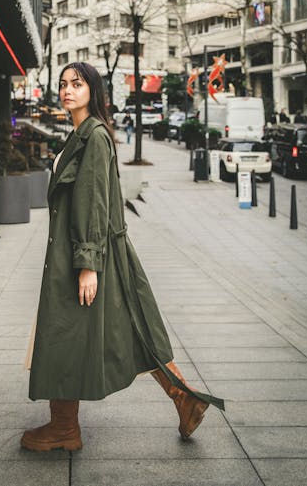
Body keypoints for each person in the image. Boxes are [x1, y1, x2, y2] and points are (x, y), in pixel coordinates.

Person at [21, 62, 224, 452]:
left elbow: (94, 201)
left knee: (62, 334)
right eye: (63, 84)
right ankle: (185, 398)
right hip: (87, 252)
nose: (67, 90)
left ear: (93, 90)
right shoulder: (79, 133)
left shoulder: (93, 136)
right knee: (132, 330)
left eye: (76, 84)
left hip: (86, 255)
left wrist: (87, 266)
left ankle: (64, 428)